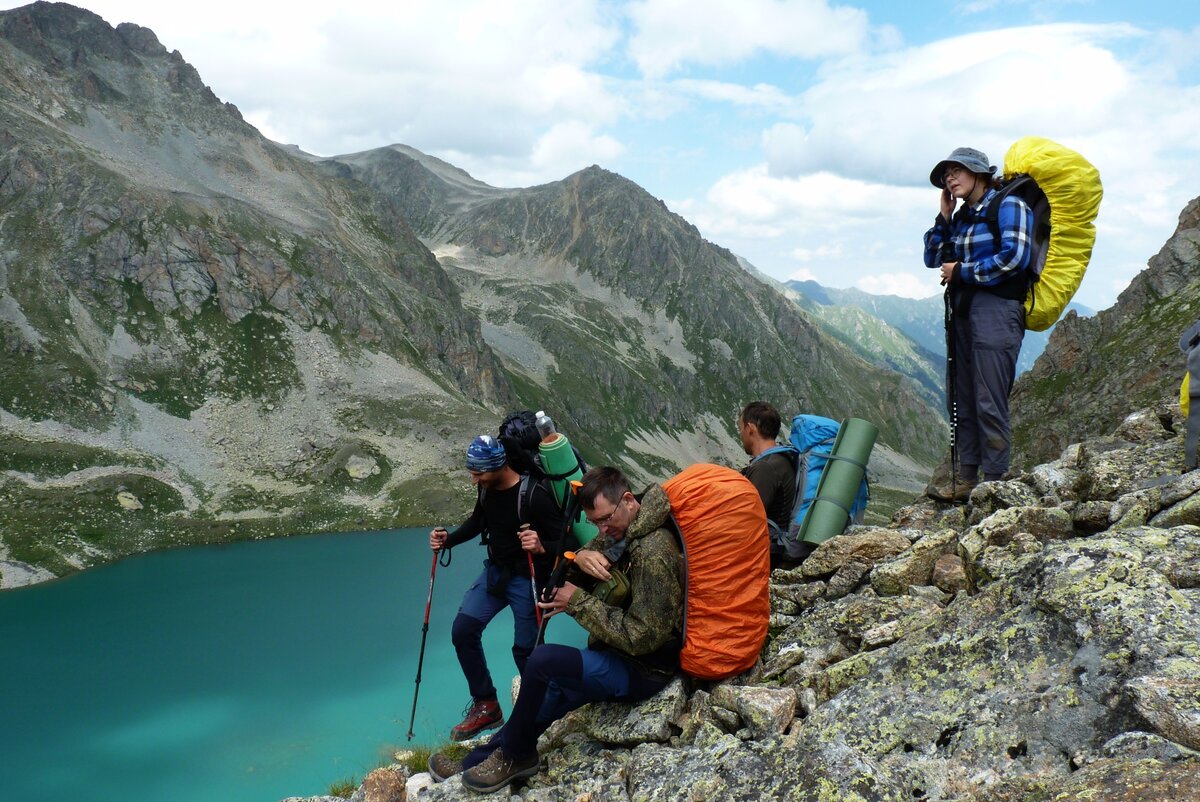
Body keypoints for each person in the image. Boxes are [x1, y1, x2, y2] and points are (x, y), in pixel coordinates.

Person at [428, 466, 684, 794]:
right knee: (547, 692)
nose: (602, 529)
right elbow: (563, 576)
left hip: (646, 669)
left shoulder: (653, 551)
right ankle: (480, 759)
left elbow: (644, 636)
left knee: (543, 661)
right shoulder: (619, 533)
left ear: (629, 501)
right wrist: (579, 557)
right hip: (614, 655)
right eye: (595, 523)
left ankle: (517, 757)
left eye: (605, 519)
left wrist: (577, 602)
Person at [429, 435, 570, 742]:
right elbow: (478, 522)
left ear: (497, 466)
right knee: (463, 630)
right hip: (496, 574)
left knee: (527, 650)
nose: (473, 479)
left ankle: (547, 709)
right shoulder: (486, 489)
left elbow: (566, 539)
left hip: (528, 578)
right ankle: (487, 705)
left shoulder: (533, 495)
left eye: (477, 472)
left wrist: (541, 546)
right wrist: (448, 539)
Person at [923, 147, 1033, 502]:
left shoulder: (1010, 206)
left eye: (956, 172)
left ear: (979, 173)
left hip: (997, 310)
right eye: (946, 176)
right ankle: (968, 477)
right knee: (963, 395)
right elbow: (931, 257)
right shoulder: (961, 218)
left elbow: (1015, 258)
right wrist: (943, 217)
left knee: (989, 397)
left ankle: (995, 481)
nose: (949, 179)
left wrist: (963, 272)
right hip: (966, 311)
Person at [737, 401, 798, 565]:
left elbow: (745, 518)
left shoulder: (766, 467)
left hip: (767, 557)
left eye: (741, 429)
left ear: (750, 429)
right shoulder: (780, 460)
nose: (741, 434)